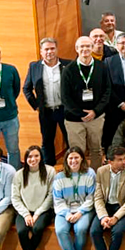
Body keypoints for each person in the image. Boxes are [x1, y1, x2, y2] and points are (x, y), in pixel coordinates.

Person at [60, 36, 111, 167]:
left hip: (96, 117)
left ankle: (95, 177)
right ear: (76, 49)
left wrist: (95, 111)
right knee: (77, 152)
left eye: (88, 46)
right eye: (81, 46)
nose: (85, 49)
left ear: (93, 47)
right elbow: (65, 97)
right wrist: (81, 114)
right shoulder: (68, 70)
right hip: (74, 120)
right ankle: (81, 178)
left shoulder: (102, 67)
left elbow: (107, 91)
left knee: (96, 150)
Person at [23, 38, 72, 166]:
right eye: (46, 49)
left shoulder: (68, 64)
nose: (49, 51)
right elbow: (26, 88)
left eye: (52, 48)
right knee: (47, 141)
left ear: (57, 49)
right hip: (46, 111)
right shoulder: (34, 66)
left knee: (70, 140)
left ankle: (70, 167)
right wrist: (36, 106)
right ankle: (49, 169)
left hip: (65, 110)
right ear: (41, 51)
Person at [10, 145, 54, 250]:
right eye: (29, 156)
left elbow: (51, 196)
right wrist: (26, 214)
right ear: (25, 159)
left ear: (41, 157)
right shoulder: (19, 175)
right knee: (22, 231)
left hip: (44, 210)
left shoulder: (50, 171)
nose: (33, 159)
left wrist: (37, 214)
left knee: (37, 228)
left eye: (36, 156)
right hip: (25, 211)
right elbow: (15, 198)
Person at [51, 147, 97, 250]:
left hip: (84, 210)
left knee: (81, 229)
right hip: (65, 211)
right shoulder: (59, 177)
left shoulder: (89, 173)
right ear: (66, 160)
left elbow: (91, 197)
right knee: (60, 230)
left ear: (82, 158)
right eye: (70, 158)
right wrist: (67, 214)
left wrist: (79, 213)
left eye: (76, 157)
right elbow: (58, 200)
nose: (73, 161)